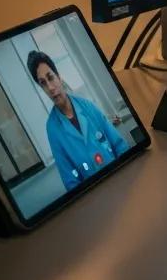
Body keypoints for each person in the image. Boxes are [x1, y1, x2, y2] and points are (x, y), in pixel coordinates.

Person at [27, 50, 128, 191]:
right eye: (43, 83)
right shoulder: (53, 129)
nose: (50, 87)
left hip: (121, 179)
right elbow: (70, 182)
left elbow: (120, 146)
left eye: (50, 77)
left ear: (59, 77)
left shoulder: (88, 107)